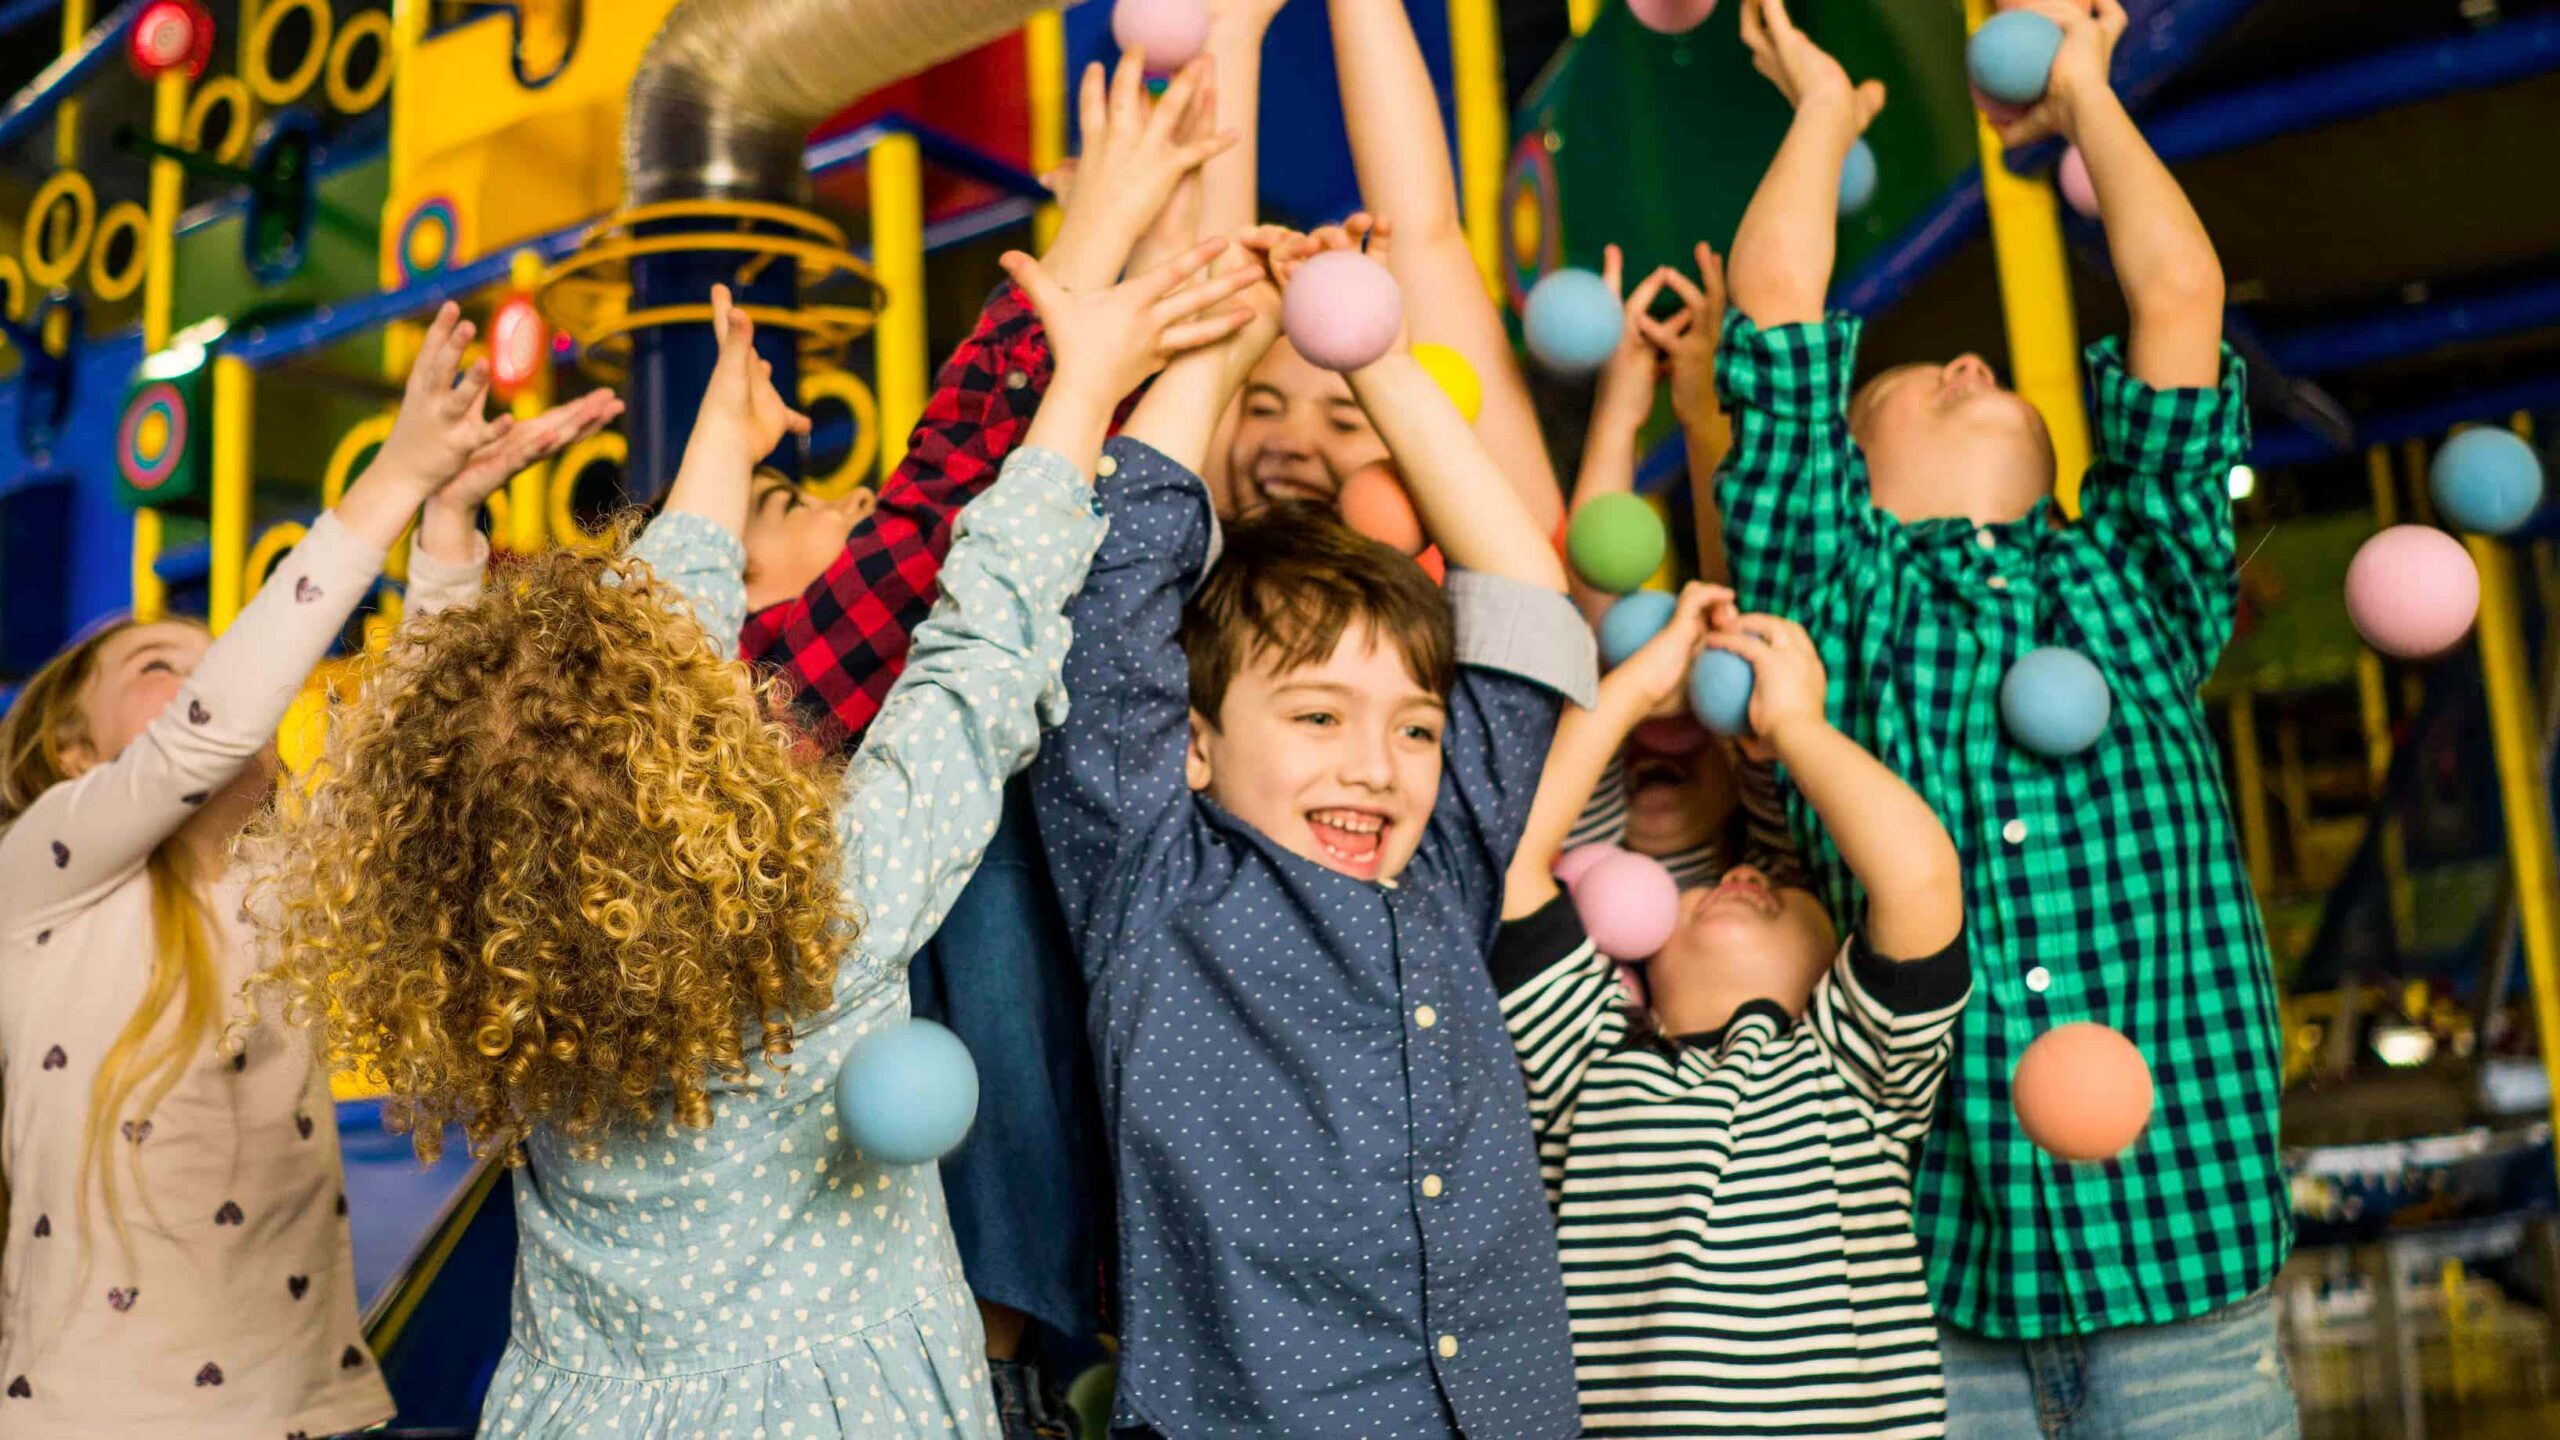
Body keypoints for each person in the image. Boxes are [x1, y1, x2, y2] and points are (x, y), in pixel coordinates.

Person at [238, 251, 1259, 1439]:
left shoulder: (512, 1001)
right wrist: (1079, 393)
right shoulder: (822, 922)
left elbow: (625, 659)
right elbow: (979, 662)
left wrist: (724, 439)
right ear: (698, 763)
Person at [1719, 1, 2294, 1434]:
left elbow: (2178, 302)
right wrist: (1820, 115)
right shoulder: (1836, 601)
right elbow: (1778, 318)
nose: (1973, 362)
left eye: (1990, 372)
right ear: (1847, 474)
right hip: (1934, 1299)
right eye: (1925, 374)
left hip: (2188, 1280)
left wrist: (2092, 98)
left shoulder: (2140, 586)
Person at [0, 305, 617, 1438]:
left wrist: (445, 527)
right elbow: (204, 734)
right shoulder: (36, 875)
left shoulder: (282, 883)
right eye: (159, 668)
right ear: (74, 756)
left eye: (216, 659)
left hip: (300, 1407)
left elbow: (420, 767)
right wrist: (386, 481)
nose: (215, 683)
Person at [736, 57, 1234, 1436]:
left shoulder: (919, 687)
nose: (838, 491)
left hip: (992, 1334)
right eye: (787, 496)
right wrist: (1097, 232)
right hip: (926, 1352)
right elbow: (941, 498)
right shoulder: (774, 685)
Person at [1032, 220, 1589, 1439]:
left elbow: (1524, 606)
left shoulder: (1444, 869)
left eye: (1414, 730)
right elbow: (1119, 573)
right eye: (1319, 714)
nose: (1375, 768)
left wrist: (1368, 343)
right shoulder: (1152, 878)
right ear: (1192, 741)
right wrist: (1224, 343)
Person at [1496, 580, 1970, 1437]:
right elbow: (1515, 861)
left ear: (1841, 965)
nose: (1744, 876)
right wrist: (1634, 686)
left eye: (1780, 887)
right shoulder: (1587, 1059)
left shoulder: (1856, 1067)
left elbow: (1921, 879)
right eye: (1719, 879)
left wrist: (1798, 730)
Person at [1556, 244, 1801, 892]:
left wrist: (1691, 415)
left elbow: (1732, 644)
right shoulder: (1569, 848)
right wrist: (1628, 414)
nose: (1657, 739)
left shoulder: (1770, 871)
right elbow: (1592, 632)